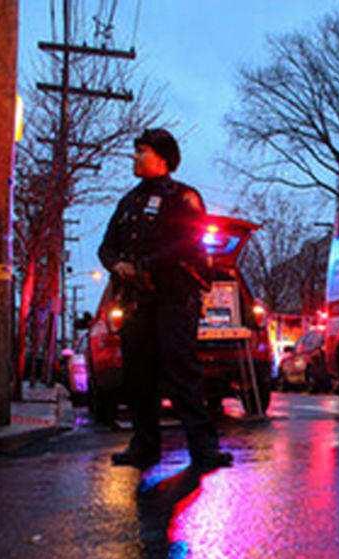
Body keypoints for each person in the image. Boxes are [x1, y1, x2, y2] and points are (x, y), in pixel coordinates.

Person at [97, 128, 232, 473]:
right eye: (135, 152)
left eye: (142, 151)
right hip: (137, 302)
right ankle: (144, 446)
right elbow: (106, 246)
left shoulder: (183, 197)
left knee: (181, 372)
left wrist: (145, 265)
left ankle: (204, 449)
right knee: (138, 376)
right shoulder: (128, 202)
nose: (135, 158)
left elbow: (189, 242)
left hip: (174, 296)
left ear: (163, 158)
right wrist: (118, 265)